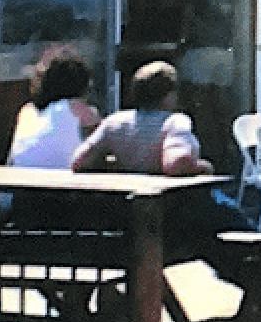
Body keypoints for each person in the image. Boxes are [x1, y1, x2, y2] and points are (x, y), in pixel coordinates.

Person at [72, 61, 251, 276]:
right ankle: (255, 278)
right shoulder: (174, 122)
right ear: (168, 95)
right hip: (176, 214)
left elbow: (80, 161)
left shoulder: (115, 123)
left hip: (130, 218)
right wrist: (203, 167)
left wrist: (113, 164)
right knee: (238, 228)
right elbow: (176, 162)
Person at [7, 46, 101, 168]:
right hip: (62, 184)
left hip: (18, 182)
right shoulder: (77, 108)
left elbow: (12, 161)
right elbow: (108, 137)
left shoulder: (27, 111)